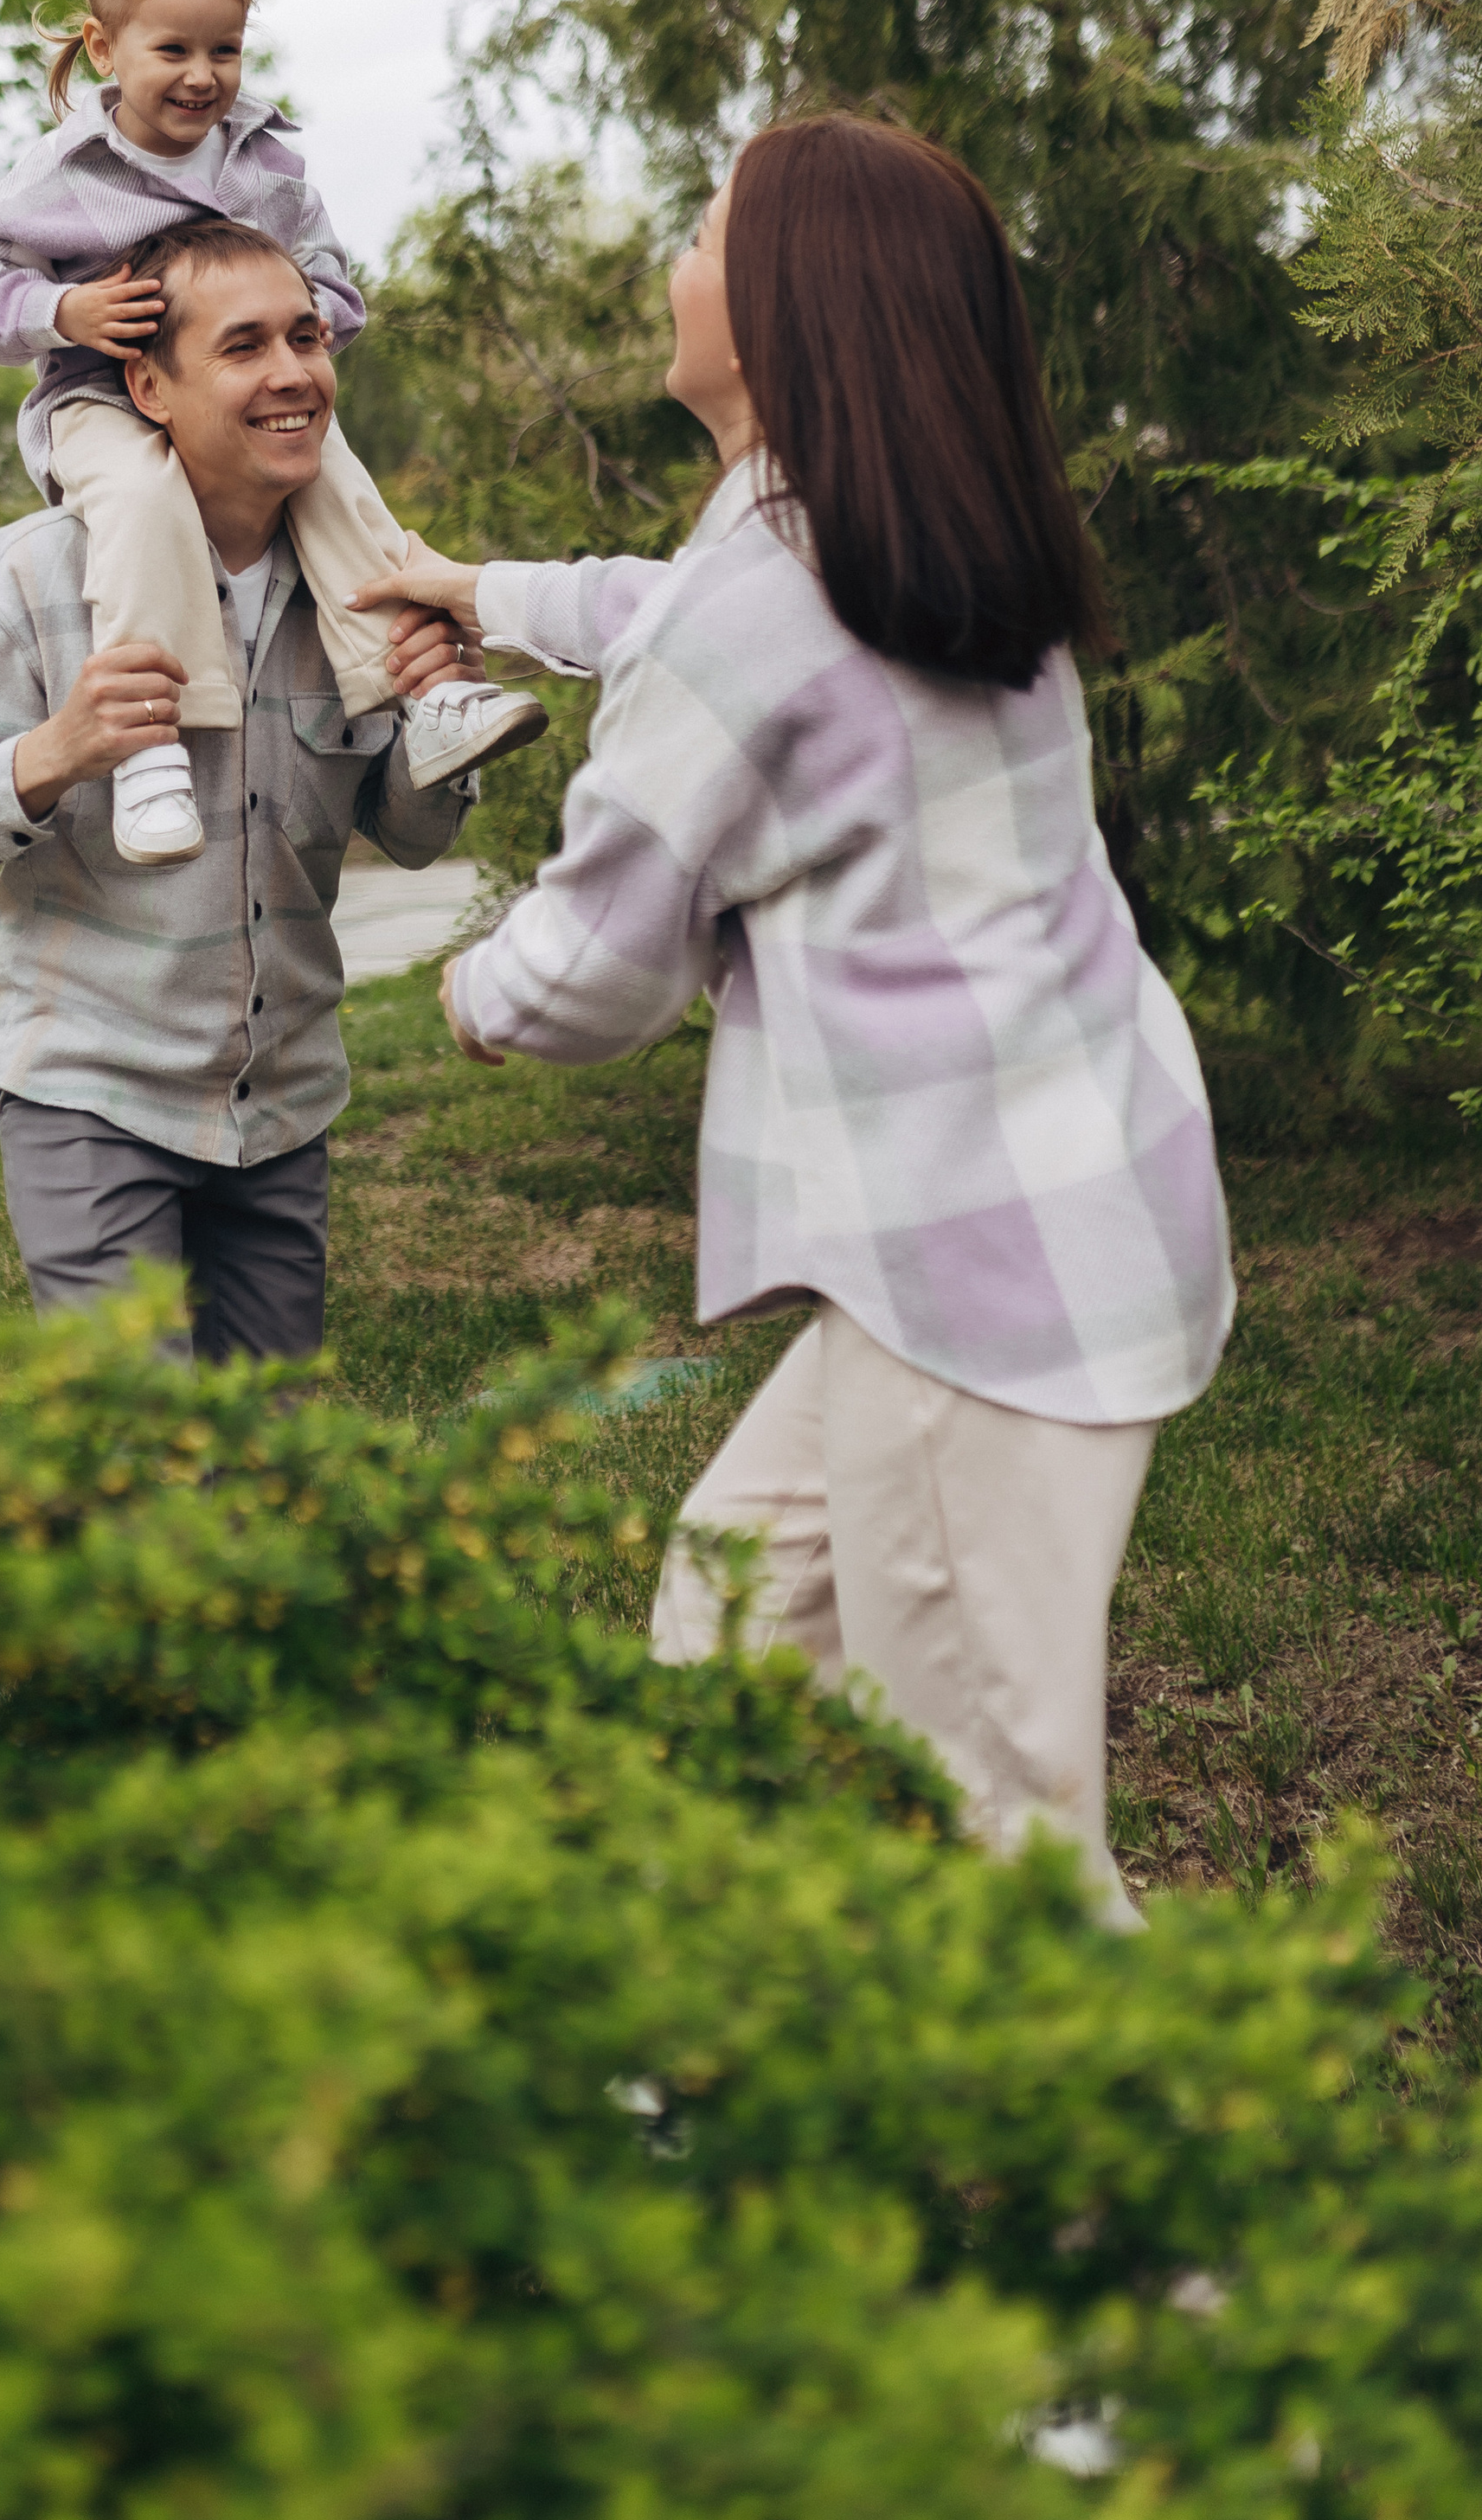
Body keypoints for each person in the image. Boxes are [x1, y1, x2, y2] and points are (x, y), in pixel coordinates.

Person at [352, 114, 1235, 1920]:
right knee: (736, 1615)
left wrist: (464, 992)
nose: (670, 268)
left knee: (997, 1822)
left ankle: (1132, 2186)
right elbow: (676, 613)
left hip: (968, 1281)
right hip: (1066, 1206)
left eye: (695, 234)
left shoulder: (762, 605)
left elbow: (593, 973)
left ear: (771, 310)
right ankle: (715, 2048)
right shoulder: (902, 523)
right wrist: (488, 598)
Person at [0, 215, 478, 1365]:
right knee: (146, 1457)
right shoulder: (21, 579)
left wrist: (442, 716)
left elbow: (408, 833)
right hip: (90, 1096)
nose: (296, 372)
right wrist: (55, 751)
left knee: (269, 1471)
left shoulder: (370, 585)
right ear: (149, 387)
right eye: (246, 346)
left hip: (283, 1104)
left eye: (308, 336)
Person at [0, 0, 544, 869]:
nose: (200, 75)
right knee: (140, 497)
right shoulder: (64, 173)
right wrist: (66, 313)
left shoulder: (262, 162)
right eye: (172, 47)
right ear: (104, 46)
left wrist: (293, 328)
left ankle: (422, 696)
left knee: (335, 480)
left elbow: (330, 276)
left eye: (224, 49)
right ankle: (148, 753)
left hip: (236, 393)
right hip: (97, 394)